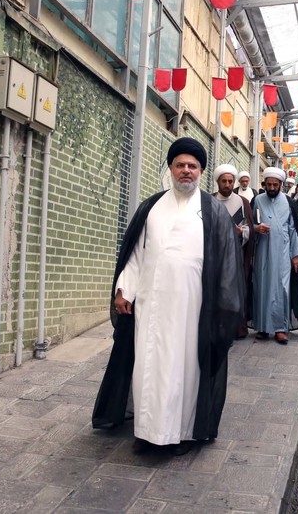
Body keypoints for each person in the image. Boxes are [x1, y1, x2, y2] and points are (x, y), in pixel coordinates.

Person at [92, 137, 245, 457]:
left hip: (193, 307)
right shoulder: (151, 207)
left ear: (201, 171)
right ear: (171, 168)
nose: (186, 171)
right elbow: (135, 254)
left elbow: (227, 264)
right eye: (180, 165)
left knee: (185, 370)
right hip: (151, 305)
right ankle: (147, 433)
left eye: (192, 166)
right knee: (149, 366)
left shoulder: (213, 212)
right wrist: (124, 290)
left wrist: (224, 306)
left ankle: (183, 434)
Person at [250, 167, 298, 345]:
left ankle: (280, 328)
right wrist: (256, 228)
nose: (271, 188)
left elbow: (293, 230)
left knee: (282, 289)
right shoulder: (257, 200)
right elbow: (249, 223)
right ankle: (262, 327)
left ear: (281, 185)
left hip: (283, 253)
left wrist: (296, 255)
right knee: (262, 287)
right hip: (262, 252)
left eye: (275, 185)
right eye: (269, 185)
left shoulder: (289, 202)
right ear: (264, 184)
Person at [214, 164, 255, 338]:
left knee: (236, 290)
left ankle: (237, 327)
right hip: (215, 255)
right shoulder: (210, 201)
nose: (227, 185)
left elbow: (250, 229)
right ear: (218, 182)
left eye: (230, 181)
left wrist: (241, 232)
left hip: (236, 254)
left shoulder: (242, 202)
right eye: (224, 181)